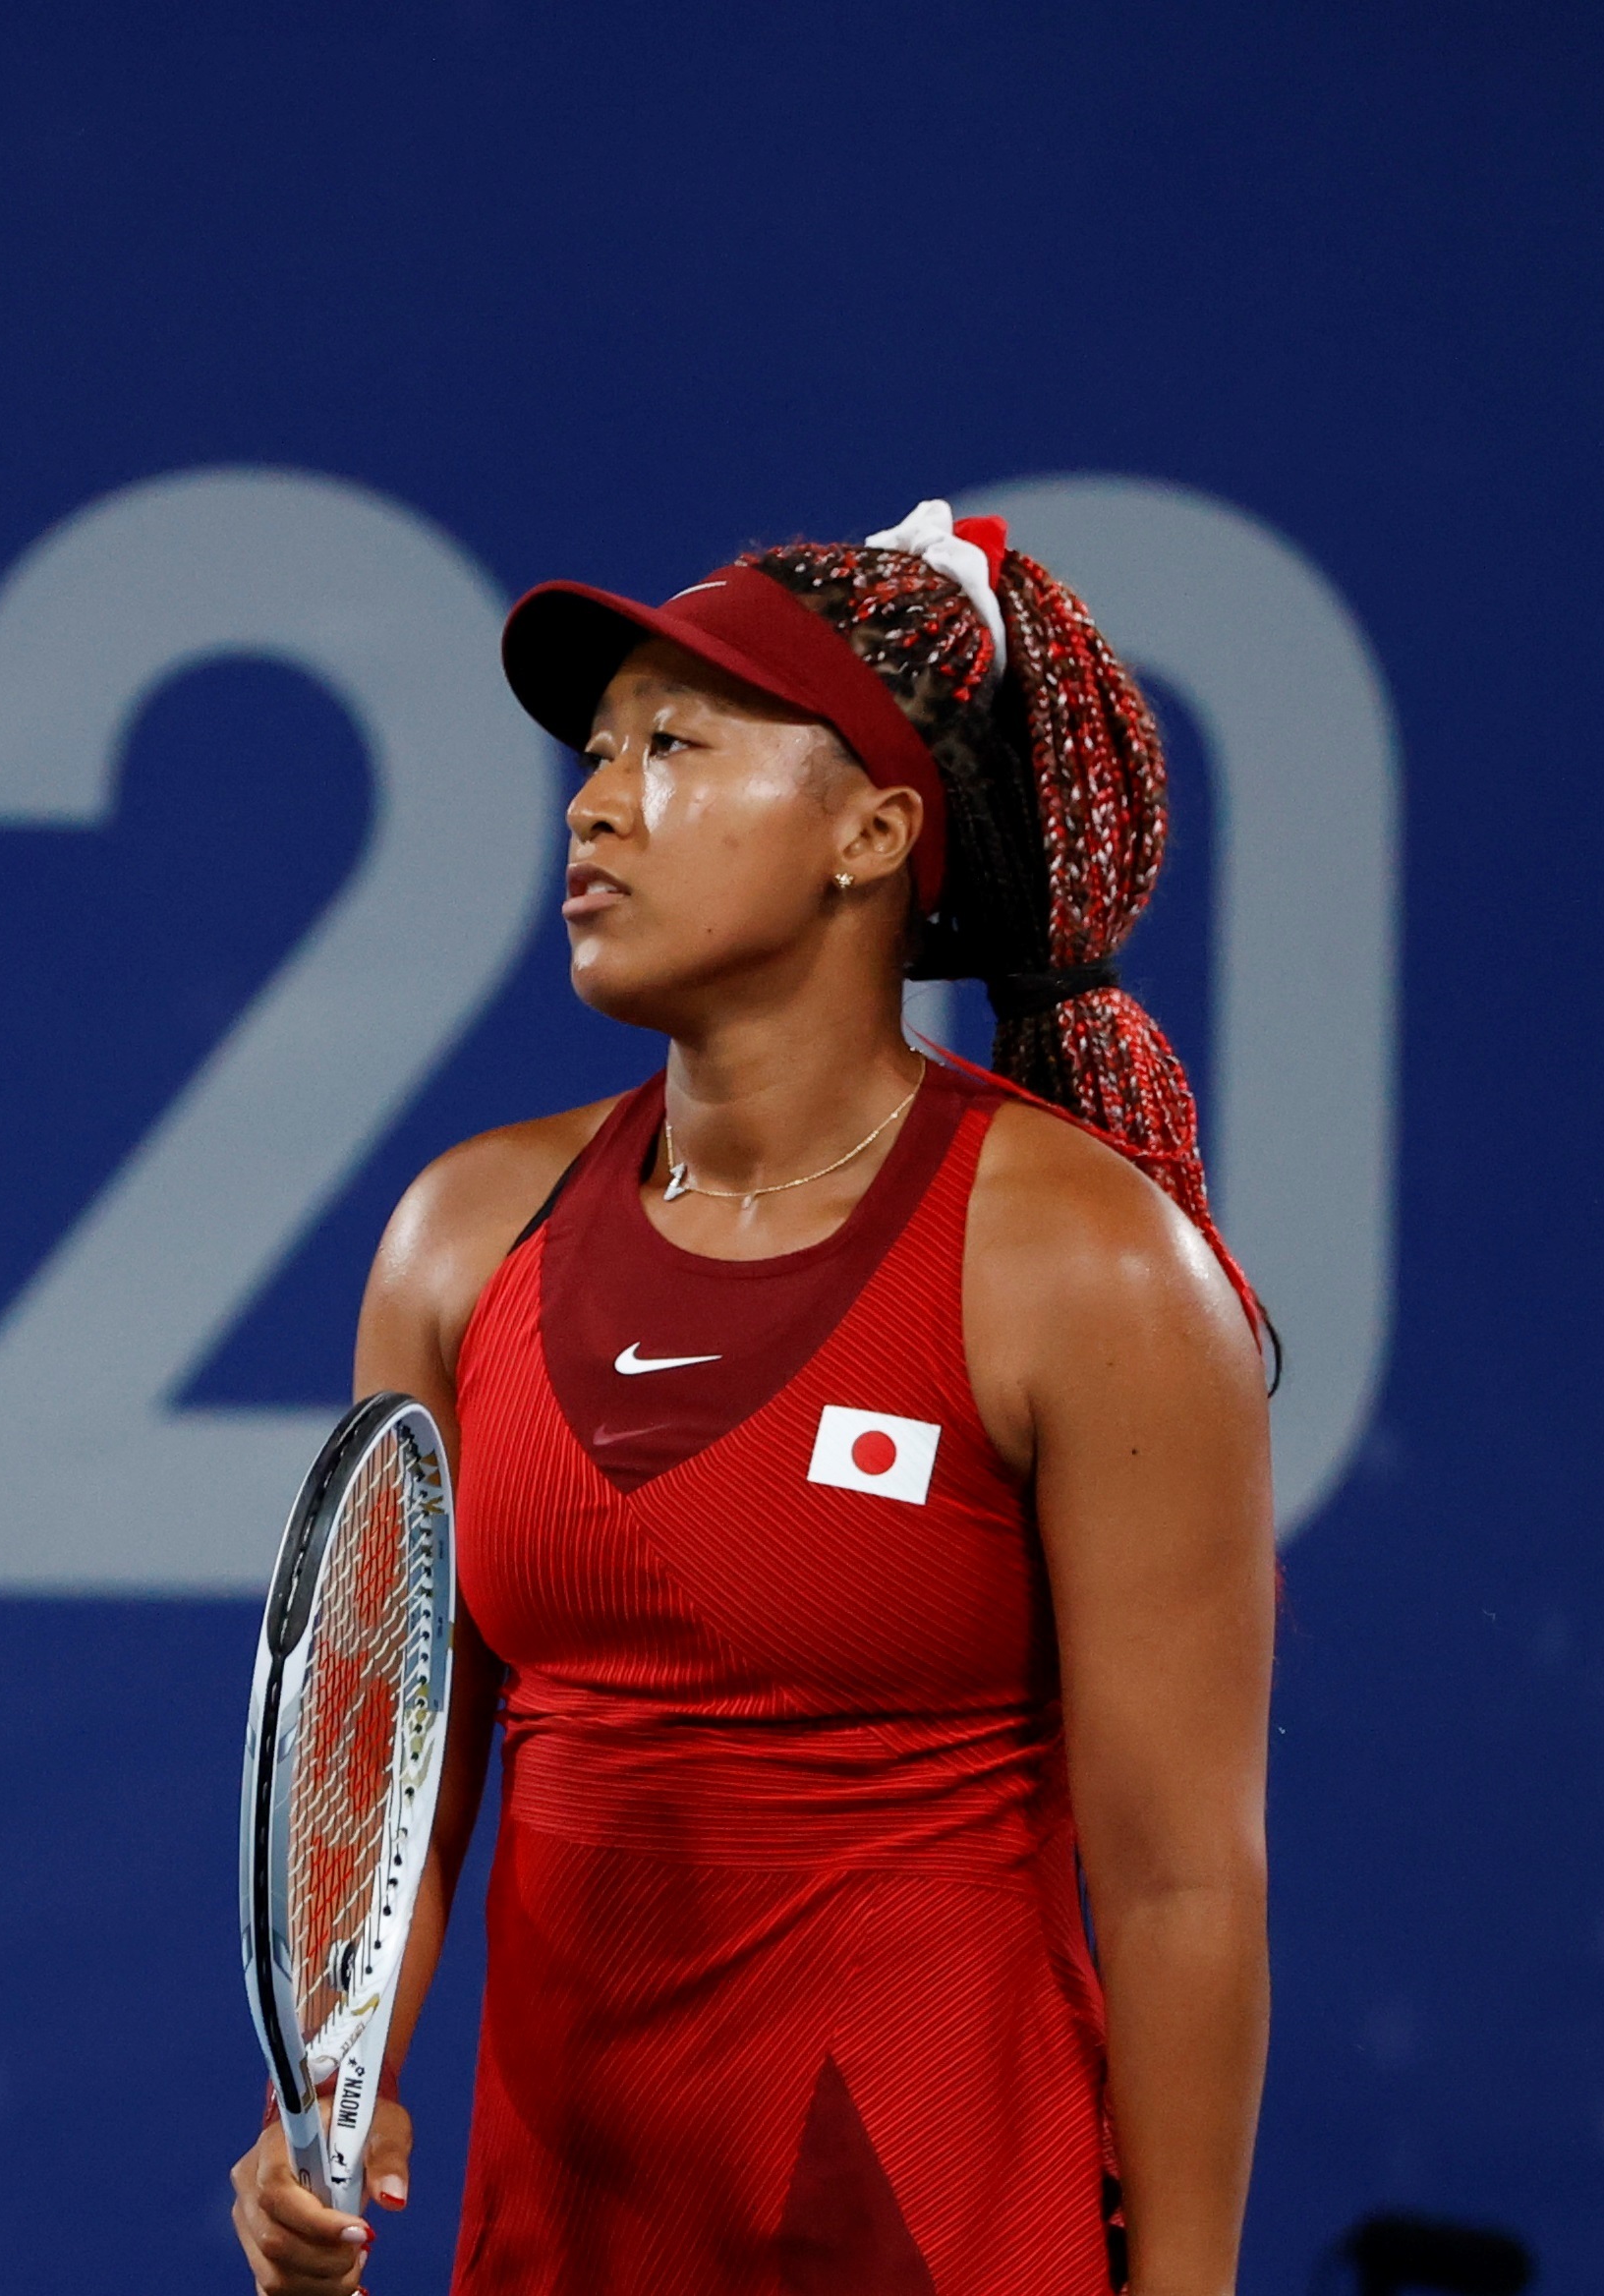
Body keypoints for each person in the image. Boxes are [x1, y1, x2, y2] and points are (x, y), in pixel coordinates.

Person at [228, 504, 1276, 2294]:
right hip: (558, 2233)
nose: (595, 800)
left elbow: (1182, 1886)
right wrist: (334, 2092)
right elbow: (399, 1777)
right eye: (596, 751)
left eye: (675, 744)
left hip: (936, 2227)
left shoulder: (1087, 1268)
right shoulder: (459, 1241)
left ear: (870, 832)